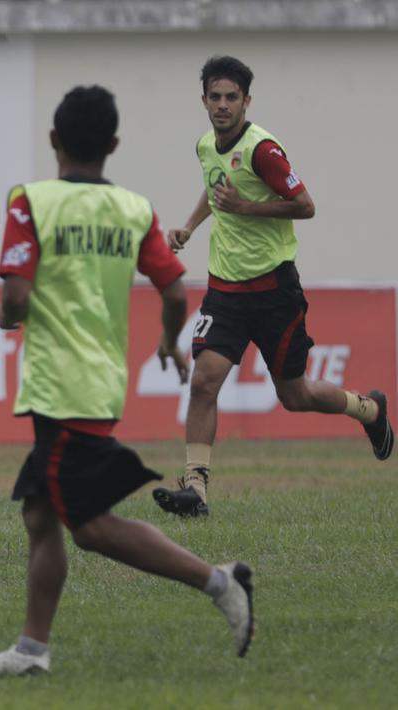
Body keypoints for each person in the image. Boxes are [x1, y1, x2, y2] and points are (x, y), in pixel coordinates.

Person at [0, 86, 254, 676]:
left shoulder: (30, 201)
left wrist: (7, 317)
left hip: (59, 384)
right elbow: (174, 290)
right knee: (41, 516)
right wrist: (168, 341)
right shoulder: (135, 209)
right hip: (99, 381)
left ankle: (220, 582)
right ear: (113, 145)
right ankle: (31, 651)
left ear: (53, 140)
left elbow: (15, 296)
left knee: (92, 528)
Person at [152, 56, 393, 518]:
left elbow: (305, 205)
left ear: (246, 101)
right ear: (203, 99)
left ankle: (369, 410)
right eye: (215, 97)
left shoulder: (263, 150)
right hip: (225, 289)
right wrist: (188, 227)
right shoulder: (206, 145)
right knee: (203, 381)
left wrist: (246, 207)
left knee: (295, 396)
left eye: (231, 98)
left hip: (274, 291)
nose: (223, 106)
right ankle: (196, 488)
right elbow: (215, 185)